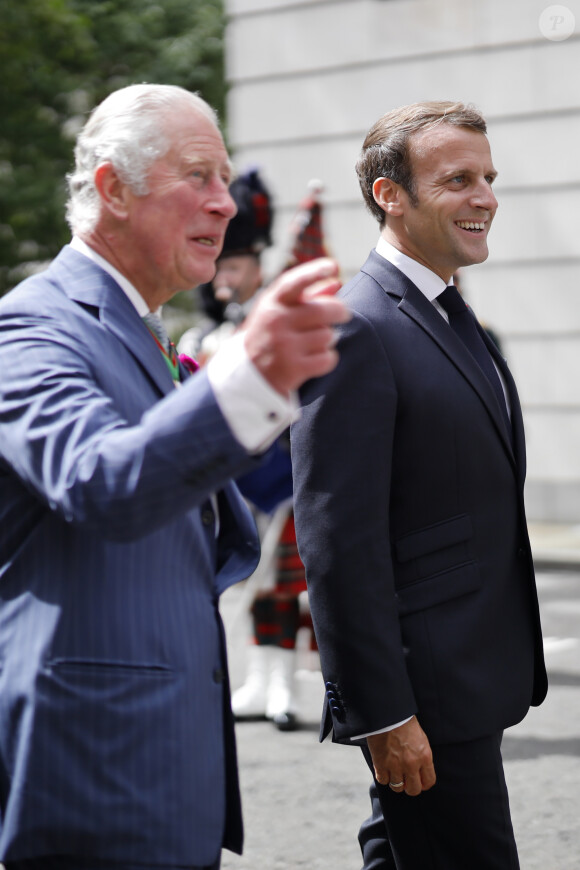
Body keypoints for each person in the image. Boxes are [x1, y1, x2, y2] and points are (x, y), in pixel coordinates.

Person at [0, 83, 349, 869]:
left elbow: (212, 504)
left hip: (157, 760)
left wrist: (294, 399)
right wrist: (252, 381)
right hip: (93, 769)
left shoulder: (141, 327)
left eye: (225, 179)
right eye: (200, 176)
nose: (225, 205)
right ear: (112, 189)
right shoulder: (31, 326)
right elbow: (101, 483)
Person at [291, 100, 548, 870]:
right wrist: (383, 714)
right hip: (425, 695)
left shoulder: (448, 312)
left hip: (468, 677)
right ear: (389, 195)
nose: (486, 197)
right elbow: (337, 539)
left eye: (490, 177)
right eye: (459, 179)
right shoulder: (358, 325)